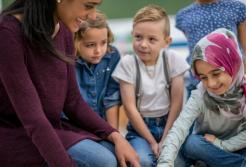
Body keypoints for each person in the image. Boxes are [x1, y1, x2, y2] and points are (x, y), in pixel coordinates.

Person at [0, 0, 140, 167]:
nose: (93, 15)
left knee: (117, 154)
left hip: (55, 129)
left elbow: (73, 101)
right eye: (88, 6)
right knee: (104, 161)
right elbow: (33, 119)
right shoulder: (7, 34)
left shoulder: (64, 31)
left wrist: (115, 136)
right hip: (16, 136)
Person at [157, 28, 246, 167]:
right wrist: (165, 163)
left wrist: (222, 145)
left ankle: (215, 163)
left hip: (237, 144)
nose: (211, 83)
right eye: (203, 77)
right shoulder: (200, 95)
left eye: (216, 73)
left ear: (232, 63)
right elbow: (179, 128)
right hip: (208, 146)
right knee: (192, 144)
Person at [112, 4, 190, 167]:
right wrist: (152, 142)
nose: (143, 44)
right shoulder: (128, 64)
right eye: (138, 37)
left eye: (152, 39)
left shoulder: (173, 61)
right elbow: (130, 108)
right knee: (144, 161)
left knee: (177, 162)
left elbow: (177, 103)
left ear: (166, 42)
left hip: (170, 125)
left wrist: (167, 137)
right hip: (140, 130)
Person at [175, 0, 246, 97]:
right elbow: (195, 48)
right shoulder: (183, 15)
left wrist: (244, 83)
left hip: (231, 85)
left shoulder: (237, 8)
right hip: (198, 85)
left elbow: (244, 51)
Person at [74, 11, 121, 129]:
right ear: (76, 42)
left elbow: (112, 98)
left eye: (103, 43)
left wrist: (114, 134)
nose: (98, 51)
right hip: (75, 129)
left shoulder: (113, 56)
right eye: (90, 45)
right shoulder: (68, 61)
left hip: (103, 127)